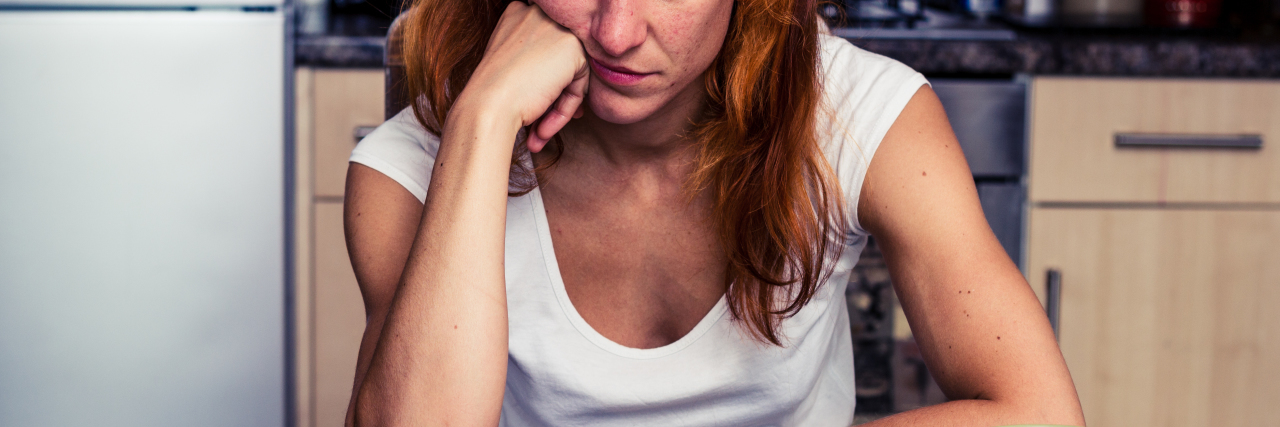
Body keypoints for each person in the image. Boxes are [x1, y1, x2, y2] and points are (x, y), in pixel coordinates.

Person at [341, 0, 1086, 425]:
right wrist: (484, 121)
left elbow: (1039, 413)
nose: (617, 31)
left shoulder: (857, 112)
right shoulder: (410, 168)